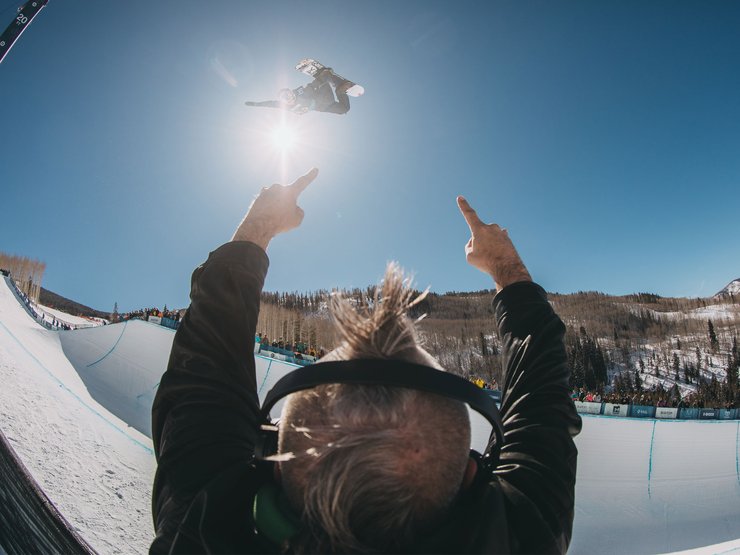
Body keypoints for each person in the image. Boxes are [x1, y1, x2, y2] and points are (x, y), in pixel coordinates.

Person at [150, 168, 582, 554]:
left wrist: (260, 223)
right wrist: (505, 265)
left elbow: (206, 368)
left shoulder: (202, 526)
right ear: (472, 475)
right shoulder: (524, 534)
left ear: (274, 471)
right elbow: (541, 390)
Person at [245, 68, 352, 115]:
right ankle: (340, 91)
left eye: (288, 94)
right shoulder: (286, 106)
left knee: (317, 90)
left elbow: (312, 85)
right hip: (321, 108)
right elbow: (271, 104)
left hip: (321, 96)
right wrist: (256, 104)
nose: (289, 98)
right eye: (285, 97)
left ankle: (325, 76)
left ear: (292, 92)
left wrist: (324, 76)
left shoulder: (301, 92)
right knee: (344, 109)